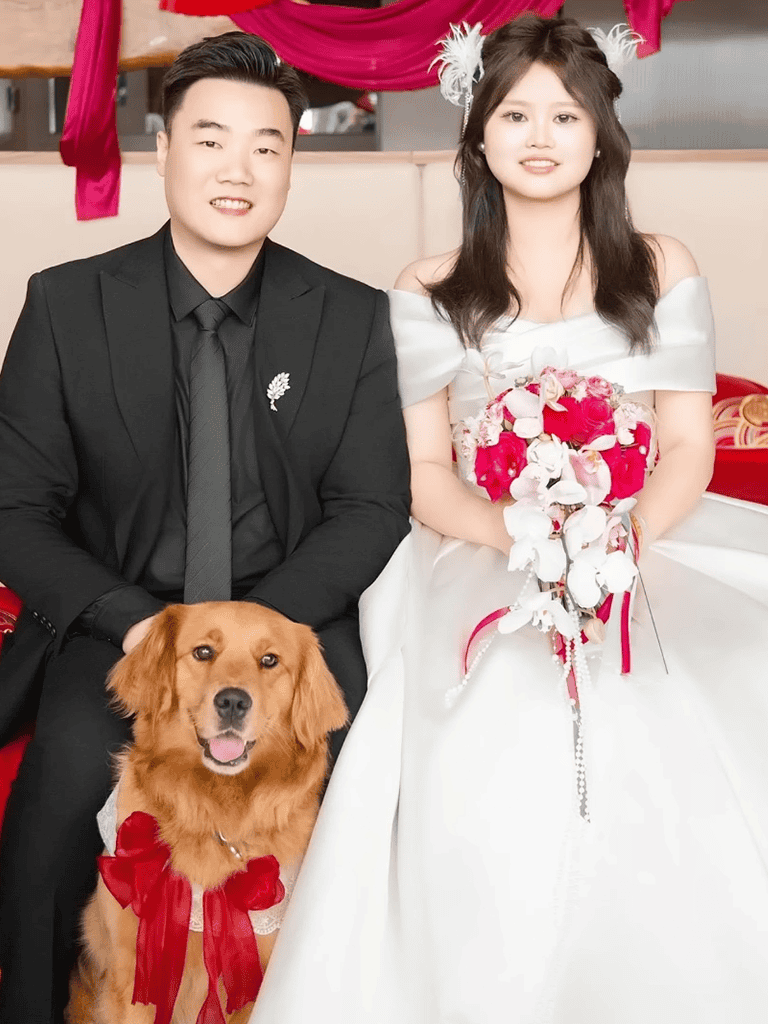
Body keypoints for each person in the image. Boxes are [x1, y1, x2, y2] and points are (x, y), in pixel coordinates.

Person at [248, 16, 768, 1024]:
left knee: (707, 676)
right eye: (516, 113)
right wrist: (525, 540)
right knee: (504, 705)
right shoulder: (431, 289)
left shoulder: (661, 266)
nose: (540, 135)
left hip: (642, 538)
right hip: (484, 547)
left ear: (601, 134)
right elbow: (429, 472)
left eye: (564, 114)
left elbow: (689, 448)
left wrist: (614, 541)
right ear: (478, 133)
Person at [0, 32, 410, 1023]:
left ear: (291, 164)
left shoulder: (351, 318)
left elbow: (371, 508)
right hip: (125, 631)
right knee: (59, 785)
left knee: (381, 788)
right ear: (163, 150)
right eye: (213, 139)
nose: (239, 169)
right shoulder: (67, 306)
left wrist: (253, 646)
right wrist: (147, 628)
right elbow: (14, 509)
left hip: (289, 634)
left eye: (267, 147)